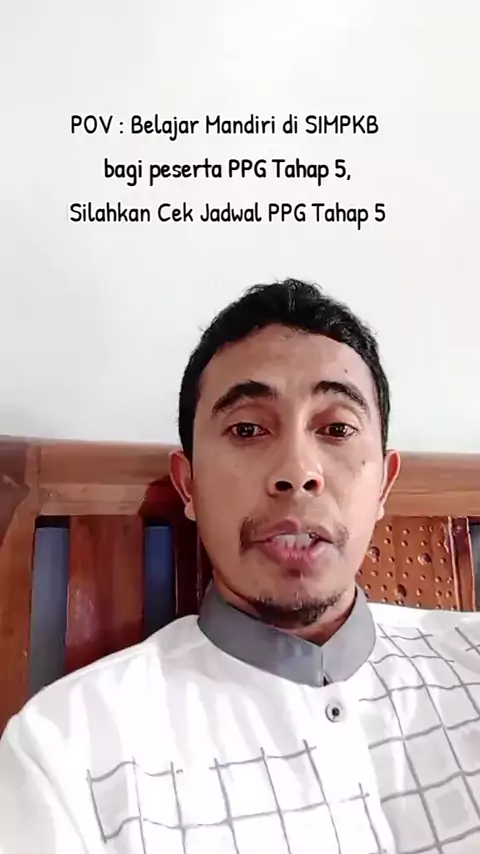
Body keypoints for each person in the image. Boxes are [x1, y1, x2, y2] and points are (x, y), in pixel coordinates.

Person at [0, 278, 479, 854]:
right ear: (189, 486)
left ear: (384, 484)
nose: (297, 472)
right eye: (247, 429)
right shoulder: (68, 750)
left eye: (336, 429)